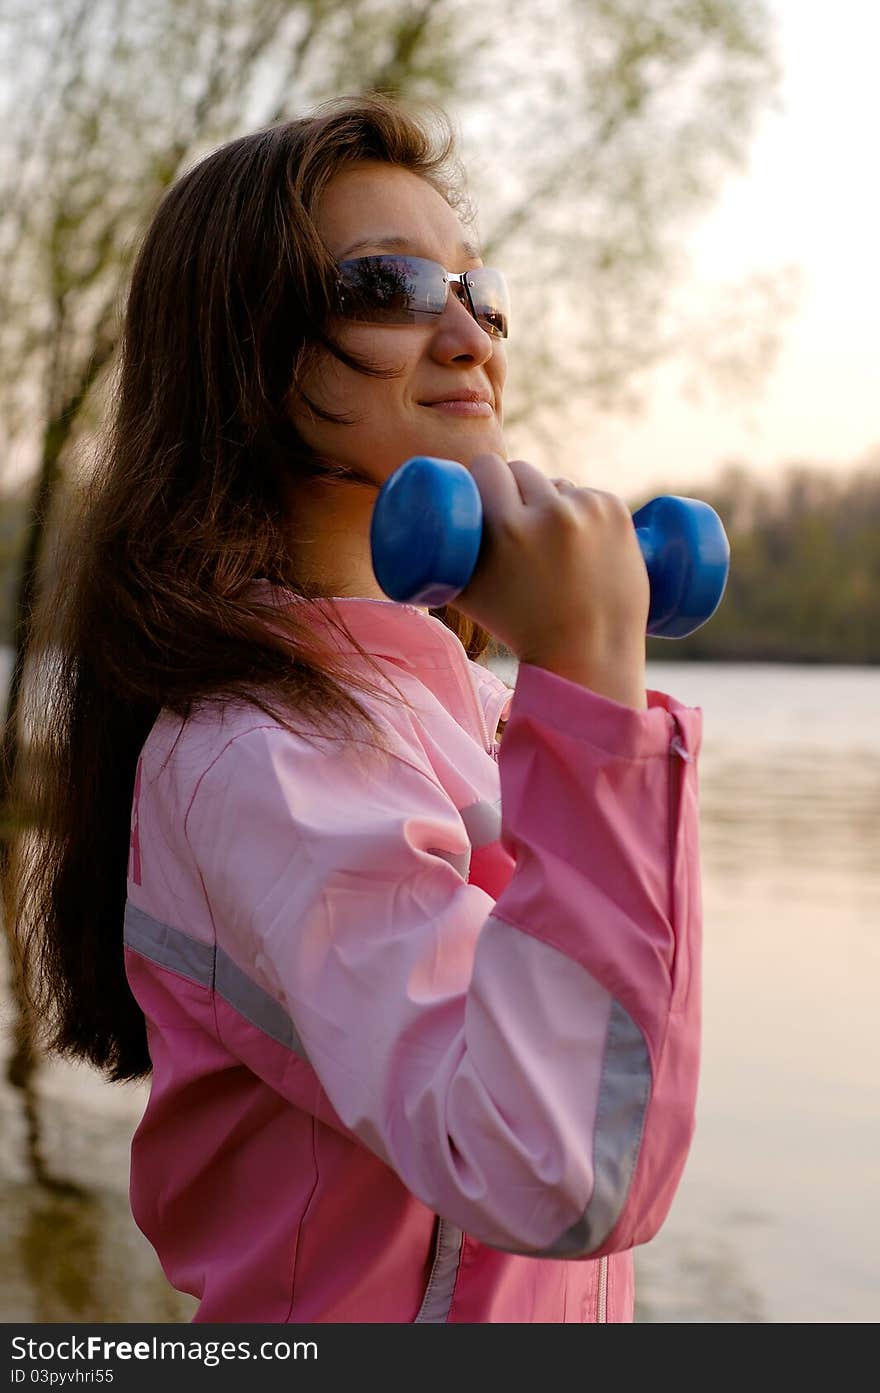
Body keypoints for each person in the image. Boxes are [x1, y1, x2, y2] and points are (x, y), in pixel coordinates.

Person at [5, 94, 703, 1324]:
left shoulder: (459, 707)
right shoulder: (251, 753)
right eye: (386, 287)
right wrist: (593, 681)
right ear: (245, 360)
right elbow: (551, 1168)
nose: (467, 334)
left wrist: (577, 709)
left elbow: (610, 1086)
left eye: (481, 294)